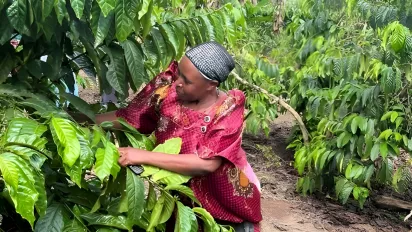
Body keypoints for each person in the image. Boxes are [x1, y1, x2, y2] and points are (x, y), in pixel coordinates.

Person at [96, 41, 262, 231]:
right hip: (183, 198)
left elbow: (206, 164)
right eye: (178, 74)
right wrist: (84, 117)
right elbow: (131, 118)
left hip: (224, 200)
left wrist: (141, 155)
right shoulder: (168, 93)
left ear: (211, 85)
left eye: (187, 81)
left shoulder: (227, 109)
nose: (177, 83)